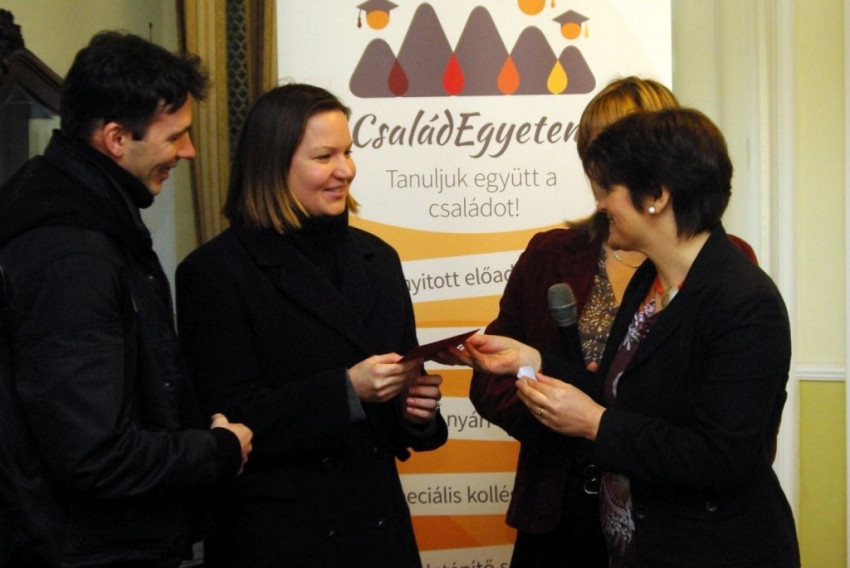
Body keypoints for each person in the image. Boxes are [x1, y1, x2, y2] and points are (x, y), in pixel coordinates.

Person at [454, 108, 799, 567]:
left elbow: (722, 457)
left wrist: (596, 424)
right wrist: (533, 360)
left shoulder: (744, 301)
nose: (601, 205)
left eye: (610, 188)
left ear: (655, 196)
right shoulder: (650, 284)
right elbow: (619, 391)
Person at [0, 31, 253, 567]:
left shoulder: (93, 226)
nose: (189, 151)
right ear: (115, 138)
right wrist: (216, 451)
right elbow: (93, 455)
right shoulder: (73, 257)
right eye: (175, 136)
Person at [175, 83, 449, 568]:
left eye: (348, 152)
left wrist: (415, 413)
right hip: (280, 537)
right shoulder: (215, 272)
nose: (346, 170)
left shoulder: (378, 259)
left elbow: (399, 387)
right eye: (325, 156)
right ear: (273, 165)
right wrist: (346, 391)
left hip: (376, 527)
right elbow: (226, 417)